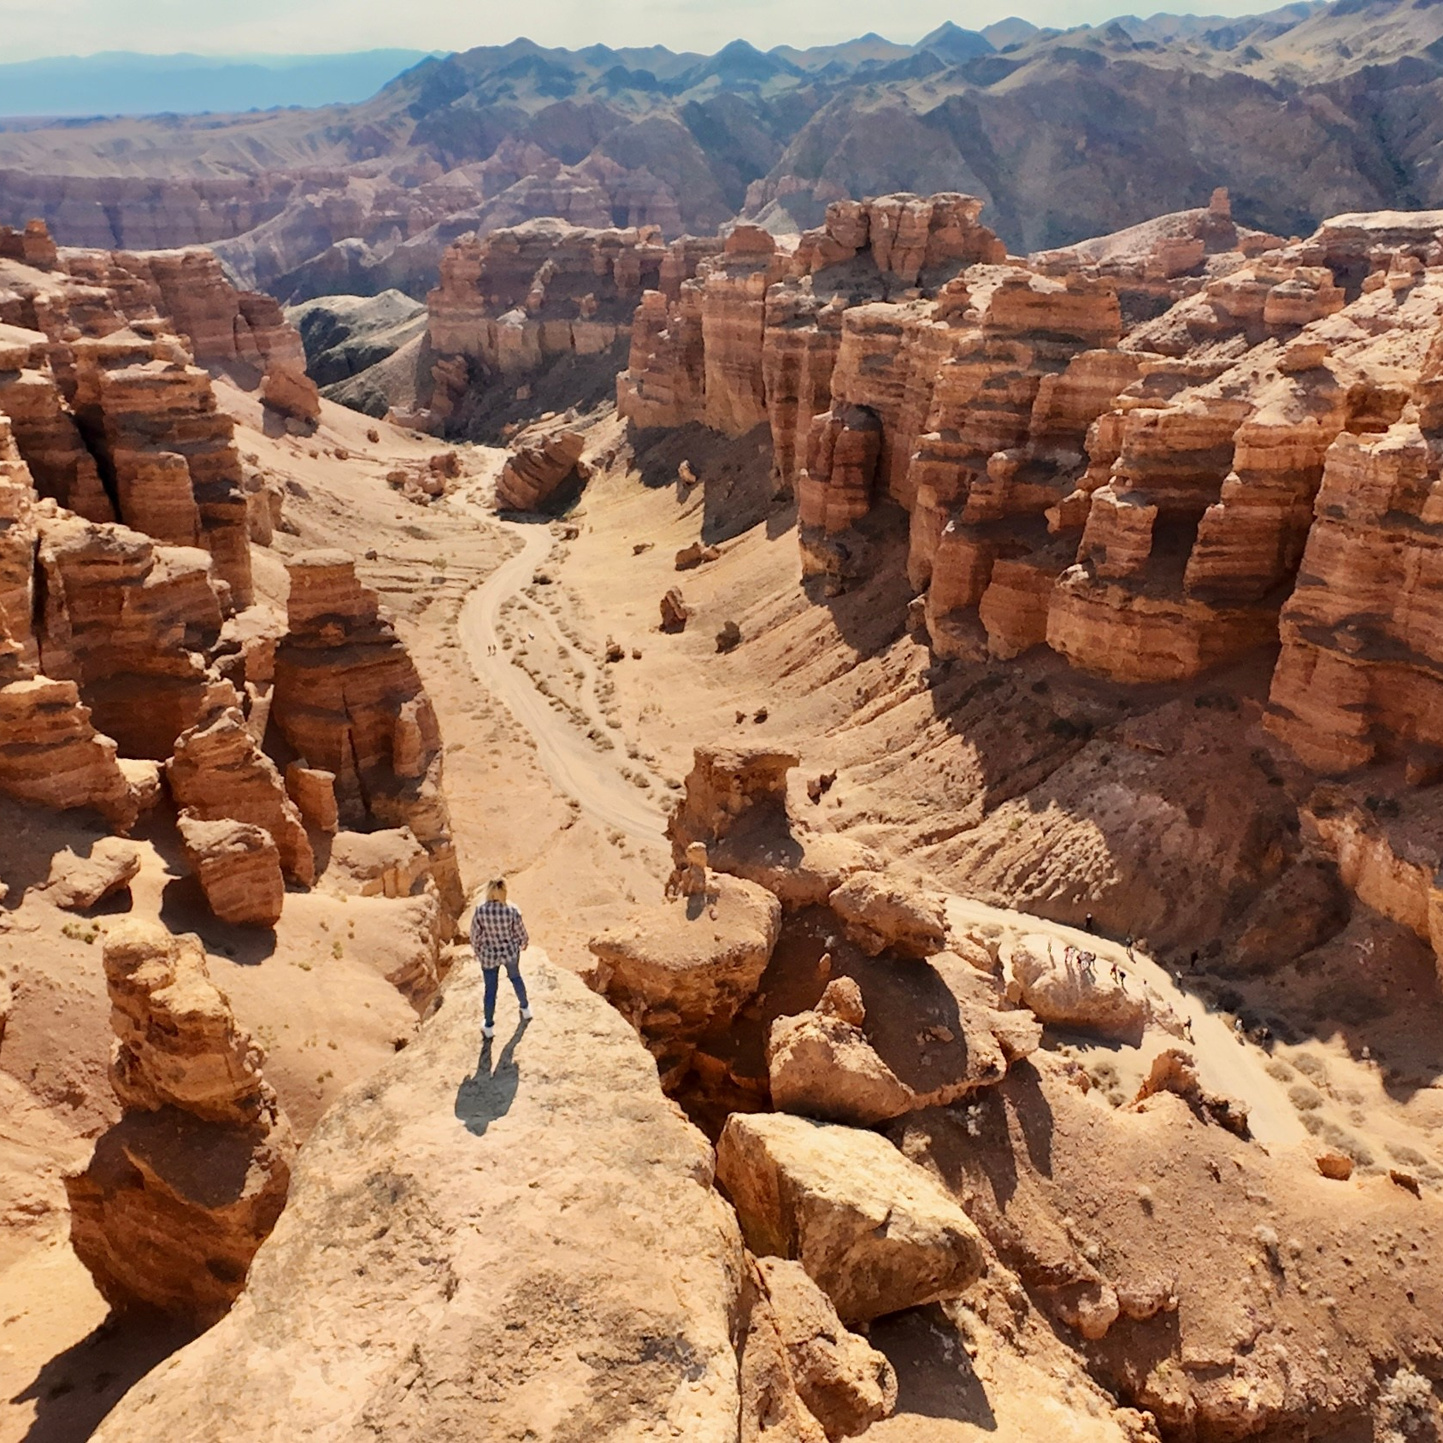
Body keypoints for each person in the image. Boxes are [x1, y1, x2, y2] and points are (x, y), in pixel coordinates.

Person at [470, 878, 532, 1039]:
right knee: (516, 978)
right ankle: (525, 1009)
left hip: (489, 956)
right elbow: (520, 932)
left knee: (490, 990)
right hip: (510, 953)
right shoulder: (511, 910)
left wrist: (477, 950)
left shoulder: (480, 911)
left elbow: (475, 936)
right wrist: (523, 943)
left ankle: (489, 1026)